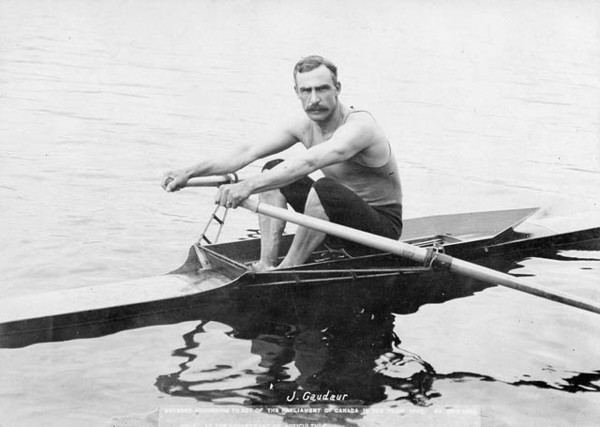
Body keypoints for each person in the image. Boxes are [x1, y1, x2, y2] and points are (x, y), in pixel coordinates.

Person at [162, 55, 402, 271]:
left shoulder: (360, 126)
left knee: (323, 187)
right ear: (297, 91)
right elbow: (246, 152)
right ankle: (266, 263)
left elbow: (309, 162)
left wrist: (248, 186)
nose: (314, 99)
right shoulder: (303, 125)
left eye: (322, 89)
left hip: (380, 233)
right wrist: (189, 172)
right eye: (306, 91)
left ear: (337, 88)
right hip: (337, 224)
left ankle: (289, 268)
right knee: (272, 168)